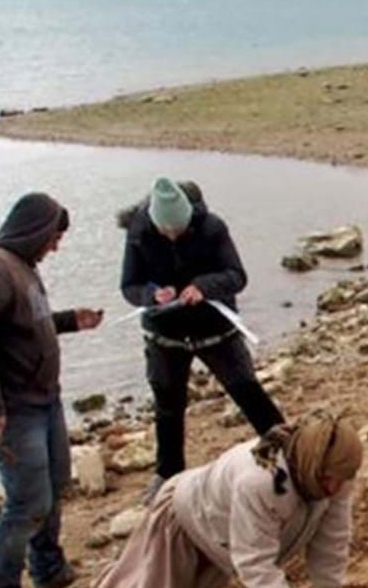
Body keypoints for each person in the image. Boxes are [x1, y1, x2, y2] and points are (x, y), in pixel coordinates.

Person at [93, 411, 368, 588]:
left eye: (341, 481)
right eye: (329, 480)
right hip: (187, 515)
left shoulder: (334, 472)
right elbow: (253, 557)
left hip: (228, 525)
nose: (335, 489)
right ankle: (105, 583)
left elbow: (332, 536)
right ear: (313, 465)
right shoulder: (259, 481)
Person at [0, 192, 103, 588]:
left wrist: (71, 321)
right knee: (28, 500)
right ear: (34, 230)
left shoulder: (22, 268)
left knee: (55, 485)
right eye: (53, 238)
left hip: (43, 398)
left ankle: (49, 570)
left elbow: (25, 325)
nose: (54, 247)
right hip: (12, 408)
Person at [119, 177, 284, 498]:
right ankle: (167, 473)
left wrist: (203, 287)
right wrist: (152, 295)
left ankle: (284, 447)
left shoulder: (212, 228)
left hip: (214, 328)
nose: (171, 235)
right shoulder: (139, 233)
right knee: (167, 403)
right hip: (164, 333)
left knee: (246, 388)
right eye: (164, 230)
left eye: (177, 229)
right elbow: (129, 286)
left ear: (188, 218)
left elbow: (236, 276)